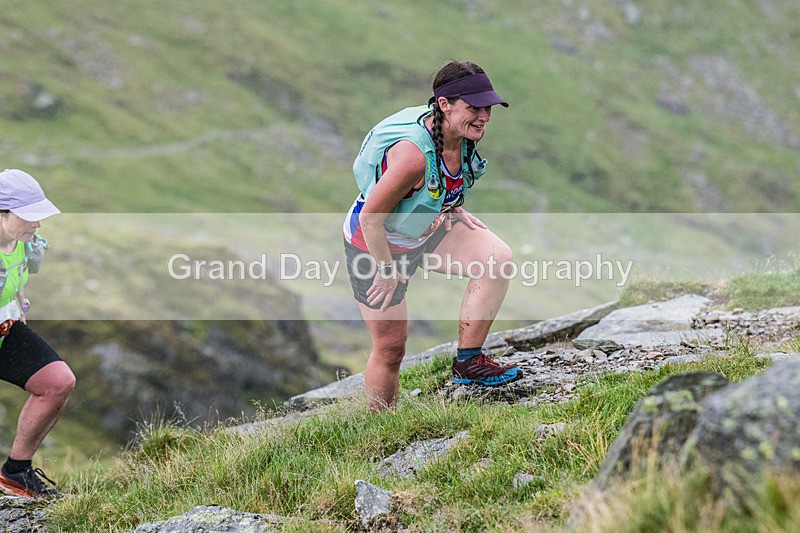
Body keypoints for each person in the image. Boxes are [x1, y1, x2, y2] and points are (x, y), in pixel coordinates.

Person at [343, 60, 522, 411]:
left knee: (496, 260)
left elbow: (440, 183)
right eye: (474, 107)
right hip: (375, 245)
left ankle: (469, 363)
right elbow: (370, 218)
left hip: (425, 232)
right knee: (392, 349)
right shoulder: (412, 156)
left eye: (488, 107)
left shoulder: (462, 135)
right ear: (444, 104)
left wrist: (451, 204)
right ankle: (378, 429)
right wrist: (386, 268)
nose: (484, 116)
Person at [0, 169, 74, 498]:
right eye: (29, 216)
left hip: (5, 331)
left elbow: (17, 281)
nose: (37, 223)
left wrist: (19, 309)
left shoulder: (25, 245)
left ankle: (16, 473)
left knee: (58, 382)